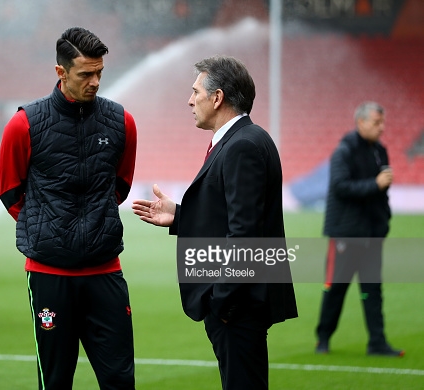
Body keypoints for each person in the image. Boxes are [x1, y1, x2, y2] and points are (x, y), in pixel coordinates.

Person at [132, 55, 297, 389]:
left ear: (217, 97)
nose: (190, 100)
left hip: (238, 305)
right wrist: (179, 216)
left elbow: (245, 234)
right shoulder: (246, 139)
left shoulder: (242, 146)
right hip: (241, 300)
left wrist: (222, 300)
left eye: (196, 92)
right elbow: (229, 215)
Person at [0, 27, 137, 389]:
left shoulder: (122, 122)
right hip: (49, 275)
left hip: (105, 272)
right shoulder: (23, 123)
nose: (95, 81)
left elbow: (118, 187)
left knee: (120, 380)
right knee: (56, 381)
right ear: (61, 72)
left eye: (100, 73)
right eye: (85, 74)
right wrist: (52, 226)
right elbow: (11, 193)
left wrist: (89, 225)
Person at [315, 101, 404, 357]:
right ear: (361, 122)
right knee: (335, 288)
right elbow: (341, 187)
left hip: (371, 234)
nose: (382, 128)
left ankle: (377, 342)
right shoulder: (344, 151)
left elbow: (381, 194)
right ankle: (323, 338)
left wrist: (384, 222)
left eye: (382, 122)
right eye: (377, 122)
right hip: (344, 234)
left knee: (372, 290)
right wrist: (375, 184)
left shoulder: (380, 151)